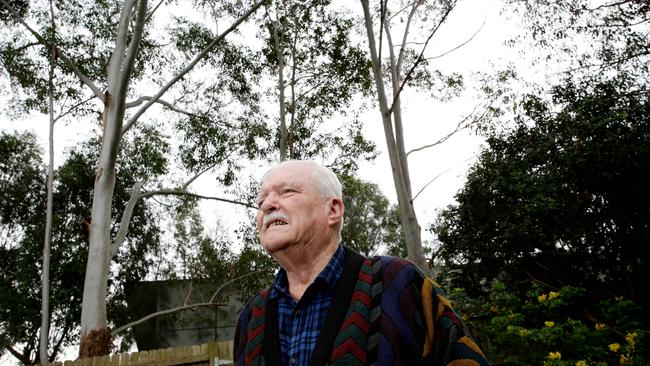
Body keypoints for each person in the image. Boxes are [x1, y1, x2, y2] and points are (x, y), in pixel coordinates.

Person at [234, 160, 490, 366]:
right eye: (260, 202)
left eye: (287, 191)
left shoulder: (398, 283)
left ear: (333, 210)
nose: (266, 205)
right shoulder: (251, 316)